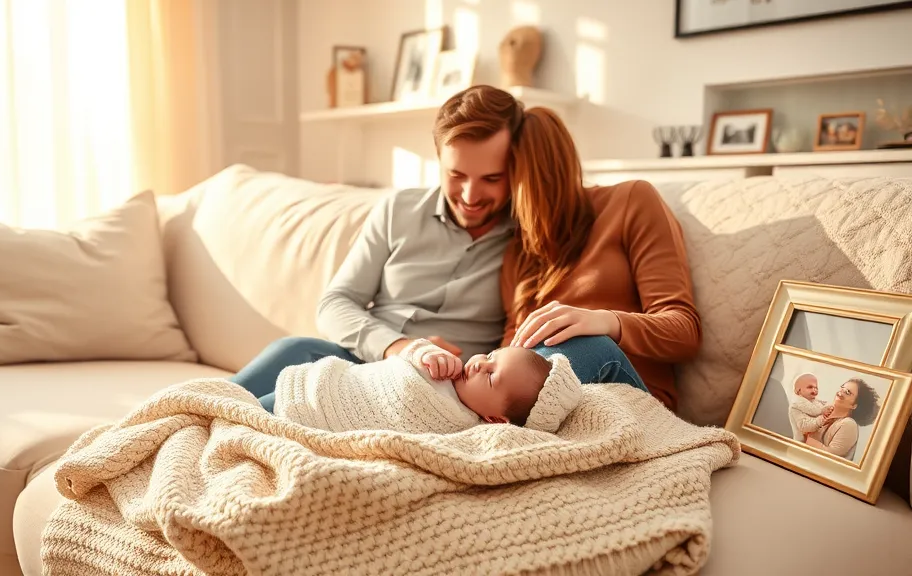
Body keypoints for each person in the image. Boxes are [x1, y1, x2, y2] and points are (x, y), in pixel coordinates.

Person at [230, 85, 647, 413]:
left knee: (275, 409)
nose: (470, 194)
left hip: (440, 382)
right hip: (372, 355)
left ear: (514, 171)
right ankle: (178, 418)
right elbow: (336, 303)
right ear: (438, 160)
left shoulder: (526, 236)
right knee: (290, 351)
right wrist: (400, 347)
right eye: (457, 174)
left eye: (491, 178)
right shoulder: (398, 209)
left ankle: (218, 433)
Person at [501, 106, 701, 411]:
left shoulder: (631, 201)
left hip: (629, 397)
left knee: (586, 345)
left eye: (496, 179)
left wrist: (605, 321)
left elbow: (684, 331)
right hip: (554, 400)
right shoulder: (515, 249)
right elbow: (511, 350)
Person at [273, 338, 581, 435]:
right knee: (241, 404)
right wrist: (426, 353)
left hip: (319, 420)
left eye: (489, 376)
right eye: (489, 357)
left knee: (244, 415)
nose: (478, 364)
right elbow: (405, 359)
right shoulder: (447, 366)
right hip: (324, 388)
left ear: (496, 419)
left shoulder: (464, 428)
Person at [805, 378, 881, 460]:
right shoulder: (822, 410)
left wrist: (805, 439)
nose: (841, 392)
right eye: (842, 388)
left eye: (847, 392)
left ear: (854, 405)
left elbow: (831, 457)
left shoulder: (848, 424)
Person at [788, 372, 832, 441]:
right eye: (810, 387)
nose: (814, 390)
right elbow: (804, 426)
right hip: (802, 444)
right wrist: (822, 417)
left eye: (816, 387)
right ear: (798, 390)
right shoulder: (795, 406)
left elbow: (821, 407)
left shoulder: (816, 402)